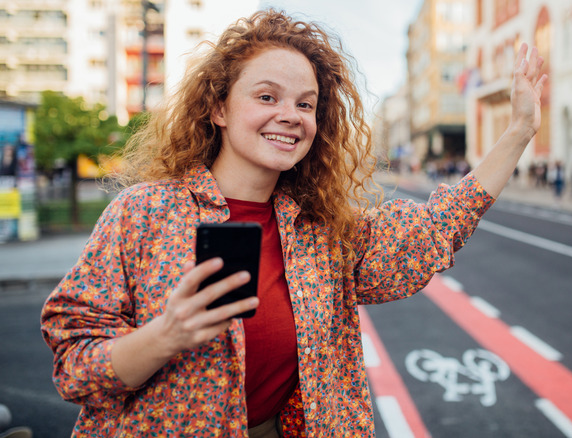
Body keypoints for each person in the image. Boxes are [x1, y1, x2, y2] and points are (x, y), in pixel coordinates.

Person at [40, 9, 546, 438]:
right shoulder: (142, 214)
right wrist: (166, 335)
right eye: (267, 97)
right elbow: (74, 367)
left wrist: (520, 130)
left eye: (305, 103)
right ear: (218, 107)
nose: (291, 115)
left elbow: (438, 226)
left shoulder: (324, 229)